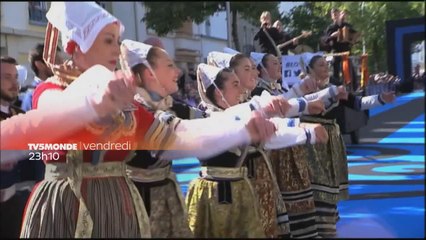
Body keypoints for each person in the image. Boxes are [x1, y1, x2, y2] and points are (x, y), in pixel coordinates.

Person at [186, 63, 329, 238]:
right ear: (218, 92)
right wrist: (305, 128)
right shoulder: (209, 118)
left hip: (239, 187)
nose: (241, 91)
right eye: (235, 85)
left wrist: (303, 119)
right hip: (213, 195)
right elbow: (249, 119)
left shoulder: (232, 115)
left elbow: (266, 121)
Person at [300, 53, 395, 237]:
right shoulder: (301, 90)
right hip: (311, 145)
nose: (325, 68)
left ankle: (327, 227)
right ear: (310, 69)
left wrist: (381, 98)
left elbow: (358, 103)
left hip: (330, 145)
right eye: (320, 65)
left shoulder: (335, 89)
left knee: (329, 188)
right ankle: (314, 228)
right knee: (314, 187)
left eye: (325, 64)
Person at [0, 56, 37, 238]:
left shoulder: (22, 116)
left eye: (15, 77)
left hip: (18, 204)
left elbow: (33, 156)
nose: (14, 83)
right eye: (7, 77)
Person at [21, 44, 64, 112]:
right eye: (56, 61)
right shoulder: (32, 95)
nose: (62, 64)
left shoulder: (62, 87)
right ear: (39, 65)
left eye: (62, 60)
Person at [324, 8, 359, 90]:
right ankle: (336, 88)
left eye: (337, 14)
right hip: (337, 52)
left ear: (340, 15)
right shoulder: (331, 27)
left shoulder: (347, 26)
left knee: (350, 70)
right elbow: (325, 40)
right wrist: (333, 35)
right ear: (332, 17)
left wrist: (354, 39)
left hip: (346, 52)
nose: (336, 16)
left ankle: (353, 88)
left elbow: (354, 36)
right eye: (334, 15)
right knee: (336, 71)